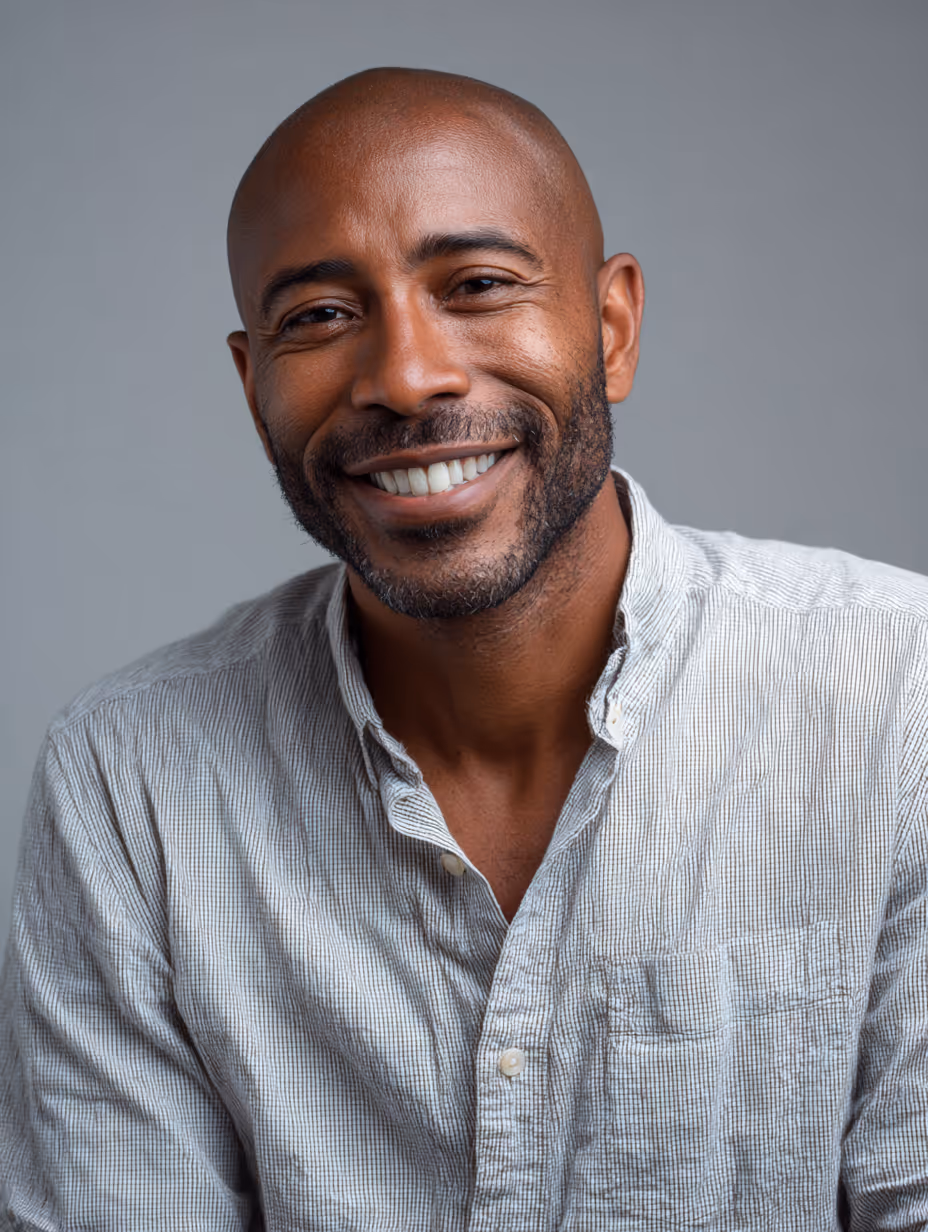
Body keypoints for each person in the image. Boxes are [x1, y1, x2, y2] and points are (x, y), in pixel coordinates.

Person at [1, 66, 925, 1232]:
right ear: (252, 386)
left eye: (478, 285)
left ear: (612, 327)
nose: (405, 376)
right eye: (319, 316)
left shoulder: (898, 697)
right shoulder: (129, 778)